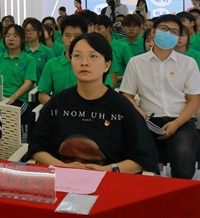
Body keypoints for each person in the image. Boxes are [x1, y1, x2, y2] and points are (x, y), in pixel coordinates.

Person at [28, 33, 159, 174]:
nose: (84, 62)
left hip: (109, 178)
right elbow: (37, 147)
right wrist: (62, 167)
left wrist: (107, 169)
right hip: (62, 177)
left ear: (107, 65)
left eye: (93, 56)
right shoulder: (57, 103)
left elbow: (143, 157)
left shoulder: (122, 107)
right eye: (77, 56)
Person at [120, 15, 200, 179]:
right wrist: (139, 112)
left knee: (184, 163)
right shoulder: (136, 63)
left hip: (181, 120)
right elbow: (127, 95)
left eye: (174, 32)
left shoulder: (188, 63)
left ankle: (178, 192)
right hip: (148, 121)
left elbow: (194, 100)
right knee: (145, 165)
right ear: (153, 32)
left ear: (178, 38)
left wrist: (176, 123)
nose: (168, 34)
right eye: (164, 29)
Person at [0, 24, 36, 113]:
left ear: (22, 39)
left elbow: (27, 84)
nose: (11, 38)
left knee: (7, 114)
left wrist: (13, 97)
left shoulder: (29, 60)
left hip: (19, 99)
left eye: (15, 36)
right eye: (7, 36)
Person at [96, 15, 133, 87]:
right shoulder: (91, 48)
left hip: (119, 87)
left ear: (108, 28)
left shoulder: (122, 46)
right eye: (95, 29)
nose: (96, 32)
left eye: (99, 28)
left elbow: (132, 69)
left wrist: (117, 78)